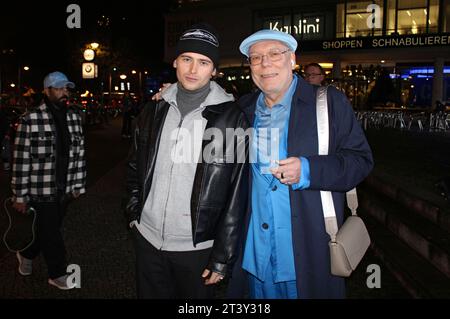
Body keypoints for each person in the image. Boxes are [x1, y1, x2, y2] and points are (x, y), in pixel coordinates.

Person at [227, 30, 374, 299]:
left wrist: (308, 170)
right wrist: (174, 91)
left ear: (292, 58)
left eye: (274, 54)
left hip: (306, 255)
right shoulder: (242, 110)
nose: (265, 64)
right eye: (256, 58)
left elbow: (361, 161)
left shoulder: (328, 102)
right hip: (255, 258)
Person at [125, 23, 249, 299]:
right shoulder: (153, 108)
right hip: (147, 238)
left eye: (203, 62)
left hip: (198, 248)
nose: (193, 69)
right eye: (187, 59)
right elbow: (134, 166)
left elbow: (237, 192)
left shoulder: (233, 118)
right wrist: (134, 215)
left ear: (214, 69)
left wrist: (222, 256)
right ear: (175, 62)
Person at [11, 71, 86, 290]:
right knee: (52, 233)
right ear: (47, 90)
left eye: (67, 88)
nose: (65, 92)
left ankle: (26, 253)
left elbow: (79, 154)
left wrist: (78, 186)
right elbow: (21, 160)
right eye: (60, 88)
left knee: (47, 229)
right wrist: (20, 195)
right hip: (40, 189)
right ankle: (57, 273)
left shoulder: (74, 117)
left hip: (65, 188)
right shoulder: (31, 119)